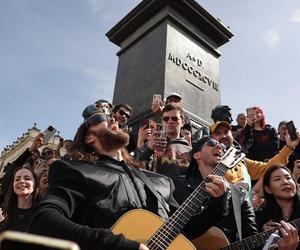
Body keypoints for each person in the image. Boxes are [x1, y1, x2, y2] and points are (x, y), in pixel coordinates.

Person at [29, 113, 227, 250]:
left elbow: (187, 230)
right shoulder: (74, 171)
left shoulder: (161, 181)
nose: (113, 119)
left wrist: (219, 202)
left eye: (114, 118)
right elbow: (43, 220)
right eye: (103, 119)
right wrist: (116, 244)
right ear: (89, 137)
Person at [173, 137, 257, 244]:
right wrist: (219, 203)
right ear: (196, 155)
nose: (219, 146)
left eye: (222, 146)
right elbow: (182, 228)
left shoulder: (239, 194)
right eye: (212, 143)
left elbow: (251, 237)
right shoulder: (177, 184)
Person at [210, 121, 299, 195]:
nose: (223, 136)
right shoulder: (205, 158)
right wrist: (231, 188)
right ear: (210, 139)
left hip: (244, 212)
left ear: (232, 136)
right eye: (218, 133)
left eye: (226, 132)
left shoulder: (241, 160)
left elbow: (267, 168)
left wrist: (289, 147)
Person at [136, 103, 192, 180]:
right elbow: (138, 170)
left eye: (174, 118)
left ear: (183, 122)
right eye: (166, 119)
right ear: (162, 121)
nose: (170, 121)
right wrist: (149, 150)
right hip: (155, 190)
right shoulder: (151, 145)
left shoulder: (191, 151)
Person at [256, 165, 300, 249]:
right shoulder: (259, 218)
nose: (285, 182)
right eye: (277, 179)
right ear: (268, 189)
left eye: (288, 178)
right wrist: (264, 239)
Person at [0, 165, 37, 232]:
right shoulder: (3, 212)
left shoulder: (41, 212)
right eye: (17, 179)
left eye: (27, 178)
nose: (22, 181)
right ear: (13, 186)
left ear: (35, 184)